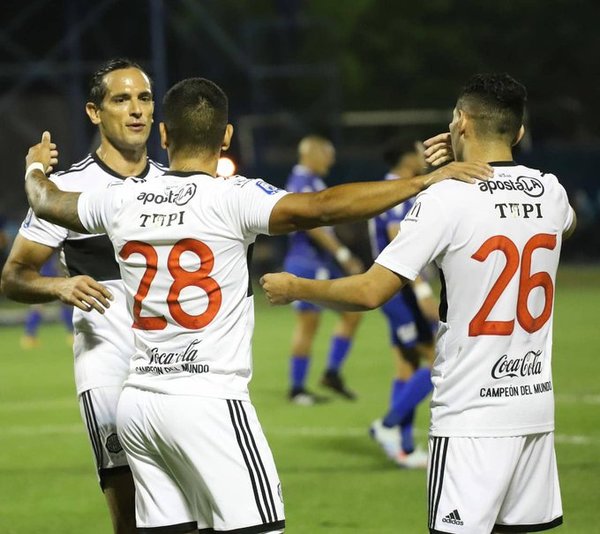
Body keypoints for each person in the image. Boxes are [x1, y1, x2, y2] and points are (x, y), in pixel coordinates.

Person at [22, 77, 491, 533]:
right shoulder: (235, 197)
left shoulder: (120, 199)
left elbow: (46, 202)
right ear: (226, 137)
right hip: (209, 399)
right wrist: (422, 182)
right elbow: (325, 206)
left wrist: (35, 167)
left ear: (163, 134)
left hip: (140, 405)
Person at [261, 73, 576, 533]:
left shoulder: (446, 197)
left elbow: (370, 291)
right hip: (533, 411)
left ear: (461, 122)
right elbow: (561, 225)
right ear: (520, 132)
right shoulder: (551, 192)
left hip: (470, 414)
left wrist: (297, 288)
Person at [1, 58, 166, 534]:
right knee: (129, 514)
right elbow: (13, 276)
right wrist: (59, 284)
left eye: (144, 98)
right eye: (121, 99)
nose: (135, 110)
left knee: (189, 512)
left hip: (178, 367)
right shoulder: (68, 189)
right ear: (95, 113)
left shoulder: (176, 188)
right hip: (107, 368)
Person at [367, 139, 437, 468]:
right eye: (421, 151)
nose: (426, 157)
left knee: (406, 367)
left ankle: (405, 448)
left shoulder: (395, 187)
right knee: (439, 361)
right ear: (407, 158)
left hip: (399, 292)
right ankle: (388, 425)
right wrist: (422, 289)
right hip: (401, 293)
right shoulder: (395, 190)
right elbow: (397, 235)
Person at [284, 135, 364, 405]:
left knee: (352, 312)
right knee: (309, 325)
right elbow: (312, 224)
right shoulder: (302, 182)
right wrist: (342, 253)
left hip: (319, 264)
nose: (331, 159)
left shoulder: (312, 181)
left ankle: (331, 373)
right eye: (327, 154)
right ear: (313, 154)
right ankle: (297, 390)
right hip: (307, 263)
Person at [21, 254, 74, 349]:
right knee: (40, 307)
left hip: (46, 277)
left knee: (62, 305)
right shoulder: (46, 248)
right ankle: (29, 336)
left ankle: (29, 336)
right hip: (43, 278)